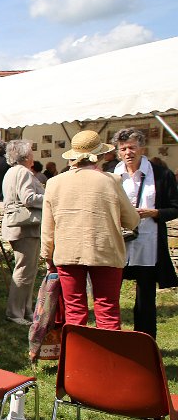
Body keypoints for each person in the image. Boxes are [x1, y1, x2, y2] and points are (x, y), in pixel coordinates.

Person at [40, 130, 139, 330]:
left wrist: (47, 256)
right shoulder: (111, 180)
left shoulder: (54, 183)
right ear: (101, 156)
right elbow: (132, 220)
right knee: (107, 310)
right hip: (105, 251)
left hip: (68, 251)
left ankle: (74, 360)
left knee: (74, 311)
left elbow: (48, 226)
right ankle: (106, 360)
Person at [112, 127, 178, 337]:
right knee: (110, 293)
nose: (127, 152)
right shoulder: (112, 174)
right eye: (123, 149)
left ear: (141, 148)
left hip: (148, 244)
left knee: (145, 296)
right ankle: (111, 336)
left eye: (132, 147)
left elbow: (176, 207)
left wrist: (154, 212)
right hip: (119, 242)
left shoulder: (160, 174)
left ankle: (145, 340)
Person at [0, 140, 45, 326]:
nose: (34, 155)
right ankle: (15, 312)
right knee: (24, 271)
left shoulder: (12, 171)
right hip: (25, 228)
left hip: (19, 226)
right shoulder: (24, 172)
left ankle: (26, 309)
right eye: (32, 152)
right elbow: (28, 198)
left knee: (28, 271)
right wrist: (50, 196)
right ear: (26, 156)